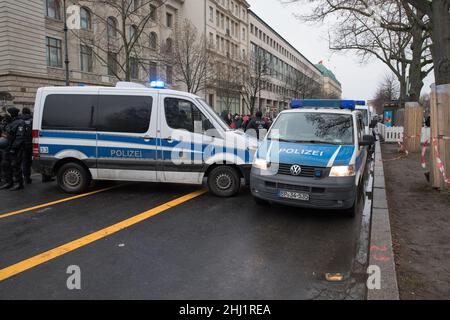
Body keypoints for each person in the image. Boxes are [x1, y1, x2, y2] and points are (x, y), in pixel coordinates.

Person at [0, 107, 26, 191]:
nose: (6, 114)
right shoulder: (10, 122)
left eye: (8, 113)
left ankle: (18, 183)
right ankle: (8, 182)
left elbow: (20, 137)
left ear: (12, 113)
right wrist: (5, 122)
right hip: (7, 147)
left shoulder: (20, 122)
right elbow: (4, 132)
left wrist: (14, 148)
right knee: (5, 165)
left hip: (15, 148)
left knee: (15, 165)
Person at [21, 107, 33, 184]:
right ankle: (45, 177)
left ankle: (26, 178)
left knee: (25, 162)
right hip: (31, 143)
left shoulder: (20, 121)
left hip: (22, 144)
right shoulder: (32, 120)